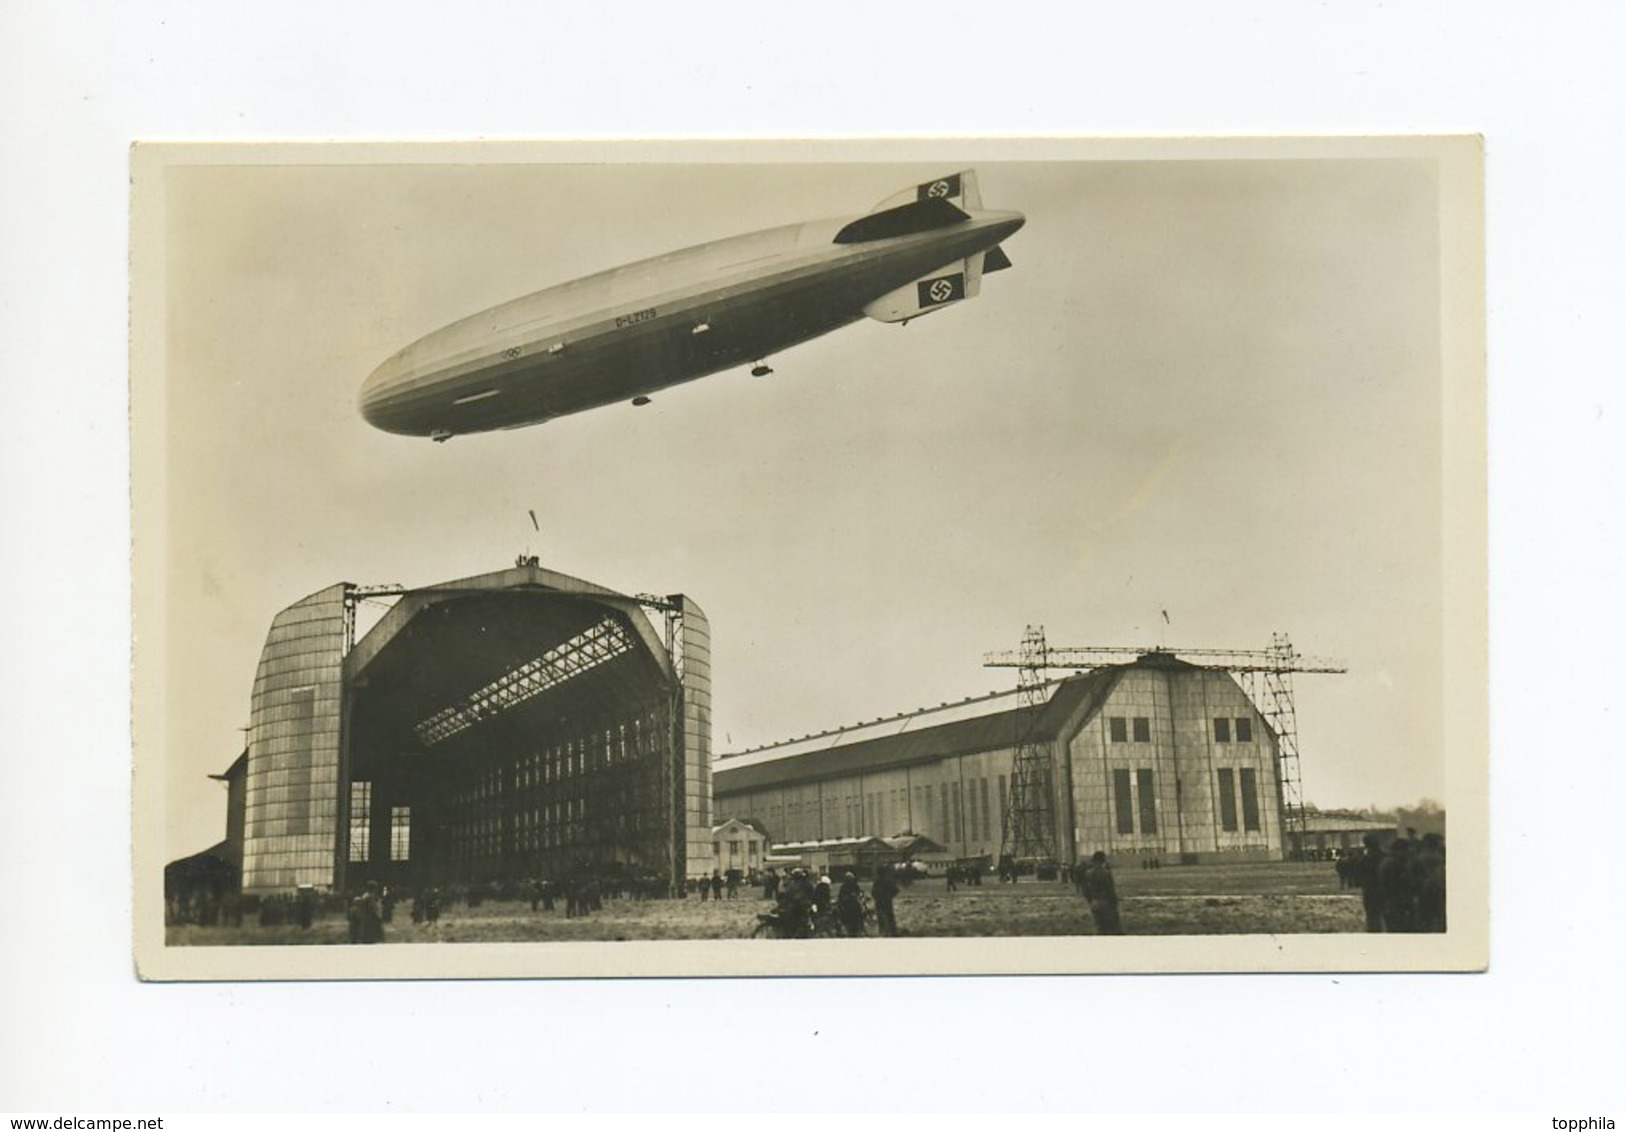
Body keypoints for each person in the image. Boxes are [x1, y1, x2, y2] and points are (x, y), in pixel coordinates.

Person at [1351, 834, 1386, 932]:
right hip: (1385, 891)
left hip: (1370, 891)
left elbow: (1358, 876)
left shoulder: (1364, 860)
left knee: (1372, 917)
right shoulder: (1385, 856)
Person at [1082, 851, 1122, 935]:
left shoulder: (1088, 873)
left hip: (1095, 902)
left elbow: (1085, 891)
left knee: (1099, 926)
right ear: (1103, 860)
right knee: (1111, 927)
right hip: (1106, 902)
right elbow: (1110, 890)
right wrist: (1114, 903)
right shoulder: (1107, 873)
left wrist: (1091, 900)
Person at [871, 864, 900, 937]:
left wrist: (877, 897)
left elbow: (873, 893)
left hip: (879, 902)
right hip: (887, 902)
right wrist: (889, 896)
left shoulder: (877, 881)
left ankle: (883, 932)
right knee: (890, 917)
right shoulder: (889, 880)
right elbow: (896, 891)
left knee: (880, 918)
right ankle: (893, 932)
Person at [836, 871, 866, 937]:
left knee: (850, 927)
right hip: (854, 909)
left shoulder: (844, 887)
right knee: (855, 927)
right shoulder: (854, 885)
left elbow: (841, 898)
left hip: (848, 909)